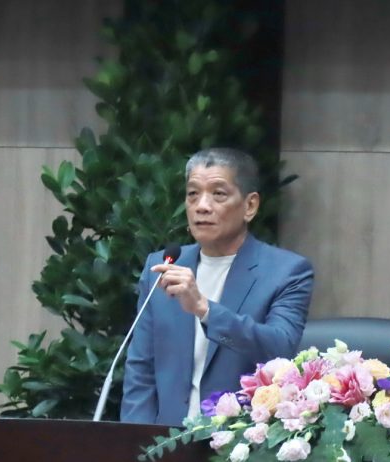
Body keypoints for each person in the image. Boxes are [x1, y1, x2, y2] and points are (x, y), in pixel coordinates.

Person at [120, 147, 314, 426]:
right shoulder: (163, 267)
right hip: (166, 442)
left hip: (240, 440)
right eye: (193, 194)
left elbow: (279, 350)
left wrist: (205, 310)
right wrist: (135, 442)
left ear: (250, 206)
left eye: (218, 194)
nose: (202, 206)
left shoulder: (287, 272)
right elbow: (141, 371)